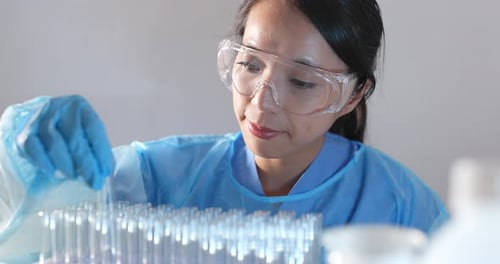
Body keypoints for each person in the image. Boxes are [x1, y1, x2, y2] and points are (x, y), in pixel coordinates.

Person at [0, 0, 448, 250]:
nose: (262, 102)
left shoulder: (400, 206)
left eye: (302, 82)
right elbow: (43, 236)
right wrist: (25, 152)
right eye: (251, 64)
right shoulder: (159, 178)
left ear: (352, 95)